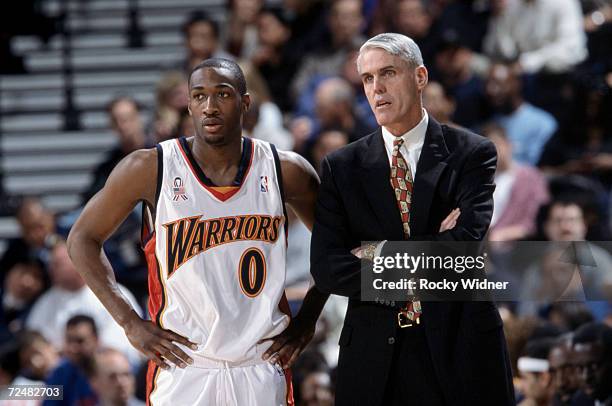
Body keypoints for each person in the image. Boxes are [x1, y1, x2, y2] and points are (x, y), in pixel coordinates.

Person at [67, 57, 328, 405]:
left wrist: (307, 318)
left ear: (245, 103)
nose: (210, 106)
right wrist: (129, 321)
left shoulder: (287, 170)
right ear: (189, 104)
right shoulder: (150, 167)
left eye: (222, 94)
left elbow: (336, 246)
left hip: (261, 362)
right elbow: (81, 239)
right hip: (184, 364)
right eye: (199, 96)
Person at [310, 33, 514, 405]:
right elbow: (326, 268)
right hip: (373, 354)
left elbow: (464, 245)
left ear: (420, 77)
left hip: (459, 345)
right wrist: (431, 249)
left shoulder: (471, 152)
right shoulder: (342, 167)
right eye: (368, 79)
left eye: (388, 73)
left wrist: (373, 253)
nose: (377, 88)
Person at [44, 315, 100, 406]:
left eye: (80, 341)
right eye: (69, 340)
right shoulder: (59, 373)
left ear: (96, 340)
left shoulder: (112, 371)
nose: (73, 348)